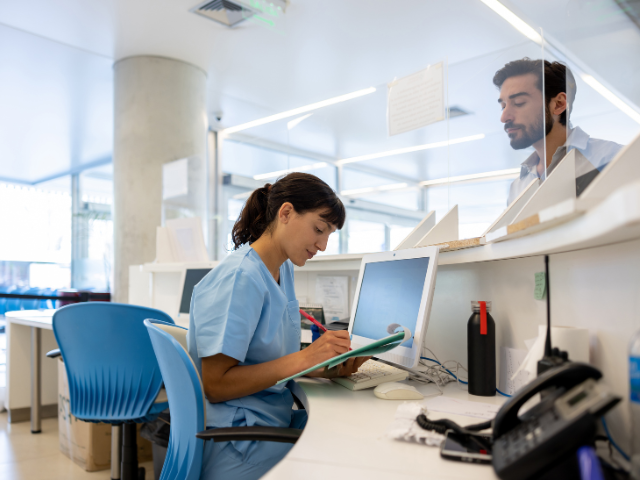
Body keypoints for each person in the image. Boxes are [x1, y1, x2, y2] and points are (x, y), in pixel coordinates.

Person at [187, 172, 369, 479]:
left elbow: (266, 358)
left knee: (355, 437)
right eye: (319, 229)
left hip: (269, 419)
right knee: (351, 459)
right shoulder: (240, 277)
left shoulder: (282, 268)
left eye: (328, 235)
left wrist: (326, 366)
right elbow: (215, 385)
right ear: (285, 213)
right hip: (240, 439)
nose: (322, 245)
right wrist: (304, 358)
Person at [493, 59, 623, 205]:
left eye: (519, 103)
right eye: (503, 106)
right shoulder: (517, 188)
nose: (504, 117)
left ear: (559, 104)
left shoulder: (612, 159)